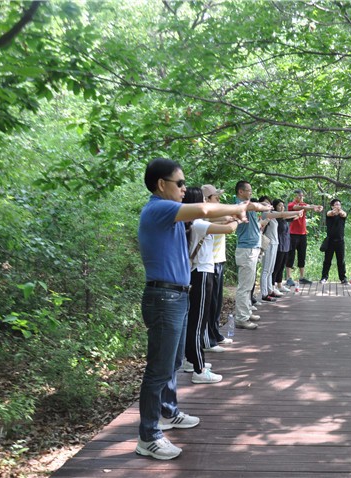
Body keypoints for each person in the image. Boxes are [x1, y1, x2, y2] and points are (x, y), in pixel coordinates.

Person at [136, 158, 264, 460]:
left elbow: (207, 219)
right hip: (164, 298)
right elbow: (205, 210)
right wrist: (240, 207)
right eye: (179, 183)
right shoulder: (158, 208)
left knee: (172, 363)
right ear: (161, 185)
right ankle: (149, 436)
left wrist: (239, 212)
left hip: (176, 296)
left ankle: (168, 412)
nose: (184, 188)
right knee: (158, 369)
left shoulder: (170, 215)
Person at [182, 187, 238, 384]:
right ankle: (199, 369)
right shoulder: (198, 224)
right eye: (203, 201)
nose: (205, 204)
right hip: (202, 273)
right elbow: (229, 229)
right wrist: (239, 219)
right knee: (198, 322)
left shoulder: (191, 222)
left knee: (194, 320)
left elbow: (218, 220)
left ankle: (190, 360)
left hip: (196, 272)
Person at [200, 184, 234, 352]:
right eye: (216, 197)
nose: (219, 200)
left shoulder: (215, 213)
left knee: (216, 302)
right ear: (207, 199)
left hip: (218, 260)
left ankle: (215, 334)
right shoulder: (203, 215)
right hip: (209, 263)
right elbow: (223, 223)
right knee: (209, 303)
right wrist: (232, 219)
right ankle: (208, 341)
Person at [233, 181, 272, 330]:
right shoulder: (239, 204)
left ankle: (247, 312)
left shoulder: (247, 204)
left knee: (249, 285)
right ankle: (241, 318)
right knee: (244, 286)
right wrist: (264, 206)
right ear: (240, 192)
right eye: (248, 190)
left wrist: (263, 205)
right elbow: (254, 206)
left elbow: (256, 206)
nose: (251, 193)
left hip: (252, 248)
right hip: (246, 249)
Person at [258, 196, 303, 301]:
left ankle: (270, 290)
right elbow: (283, 214)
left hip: (275, 243)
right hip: (268, 244)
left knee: (270, 270)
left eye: (268, 203)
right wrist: (297, 211)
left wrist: (297, 214)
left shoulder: (272, 214)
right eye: (264, 203)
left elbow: (284, 215)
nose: (267, 205)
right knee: (266, 270)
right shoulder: (265, 214)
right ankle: (264, 293)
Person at [285, 189, 323, 286]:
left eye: (302, 196)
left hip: (302, 234)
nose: (301, 197)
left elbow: (309, 206)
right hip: (293, 234)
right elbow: (300, 207)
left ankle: (302, 277)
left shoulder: (304, 204)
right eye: (299, 196)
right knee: (291, 255)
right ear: (295, 197)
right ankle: (288, 278)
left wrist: (317, 207)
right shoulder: (291, 205)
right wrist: (312, 208)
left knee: (302, 255)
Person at [320, 198, 348, 285]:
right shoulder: (329, 213)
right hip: (330, 241)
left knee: (341, 261)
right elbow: (330, 213)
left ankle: (343, 278)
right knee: (327, 260)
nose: (338, 206)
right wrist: (334, 211)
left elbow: (344, 214)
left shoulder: (342, 214)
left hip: (340, 241)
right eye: (336, 204)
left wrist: (339, 211)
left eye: (339, 204)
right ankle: (324, 277)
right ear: (332, 206)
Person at [272, 199, 295, 294]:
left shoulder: (284, 217)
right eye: (279, 205)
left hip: (285, 245)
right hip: (278, 245)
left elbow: (293, 217)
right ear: (274, 207)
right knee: (276, 266)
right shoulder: (275, 216)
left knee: (282, 266)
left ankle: (279, 285)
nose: (282, 207)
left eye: (283, 205)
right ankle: (272, 286)